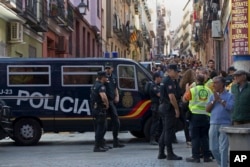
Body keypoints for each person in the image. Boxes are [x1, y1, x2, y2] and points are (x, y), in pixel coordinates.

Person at [183, 74, 213, 163]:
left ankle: (195, 157)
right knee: (205, 137)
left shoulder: (193, 90)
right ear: (204, 81)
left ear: (196, 81)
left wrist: (186, 90)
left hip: (195, 115)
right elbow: (212, 101)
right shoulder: (208, 90)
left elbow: (185, 100)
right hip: (206, 115)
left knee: (195, 137)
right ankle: (206, 156)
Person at [206, 76, 234, 167]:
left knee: (223, 148)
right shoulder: (212, 96)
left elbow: (230, 107)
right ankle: (221, 163)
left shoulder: (230, 96)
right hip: (213, 123)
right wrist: (214, 100)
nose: (213, 85)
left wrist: (220, 100)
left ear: (222, 84)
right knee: (213, 148)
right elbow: (207, 109)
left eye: (216, 83)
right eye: (213, 83)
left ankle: (223, 165)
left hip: (225, 124)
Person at [157, 64, 182, 160]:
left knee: (165, 130)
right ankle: (170, 153)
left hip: (163, 107)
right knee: (168, 131)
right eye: (176, 71)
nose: (177, 73)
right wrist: (176, 109)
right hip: (168, 108)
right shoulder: (169, 81)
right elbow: (172, 97)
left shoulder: (165, 80)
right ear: (170, 71)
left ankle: (161, 152)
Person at [104, 63, 125, 148]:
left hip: (112, 101)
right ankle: (101, 142)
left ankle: (115, 140)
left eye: (109, 68)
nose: (107, 70)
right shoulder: (103, 77)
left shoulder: (113, 77)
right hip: (105, 102)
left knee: (116, 122)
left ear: (112, 68)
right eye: (106, 68)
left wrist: (117, 96)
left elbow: (115, 87)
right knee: (103, 124)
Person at [90, 71, 109, 152]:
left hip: (95, 109)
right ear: (102, 77)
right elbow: (103, 96)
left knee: (100, 128)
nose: (106, 78)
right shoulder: (101, 86)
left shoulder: (94, 85)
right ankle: (97, 147)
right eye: (105, 77)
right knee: (101, 128)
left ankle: (100, 145)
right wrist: (107, 104)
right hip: (100, 109)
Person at [149, 72, 162, 145]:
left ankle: (157, 137)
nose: (161, 78)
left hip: (158, 106)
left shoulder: (158, 85)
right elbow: (159, 94)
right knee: (155, 123)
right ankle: (152, 138)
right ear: (156, 78)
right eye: (160, 77)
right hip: (155, 106)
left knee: (158, 123)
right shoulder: (153, 86)